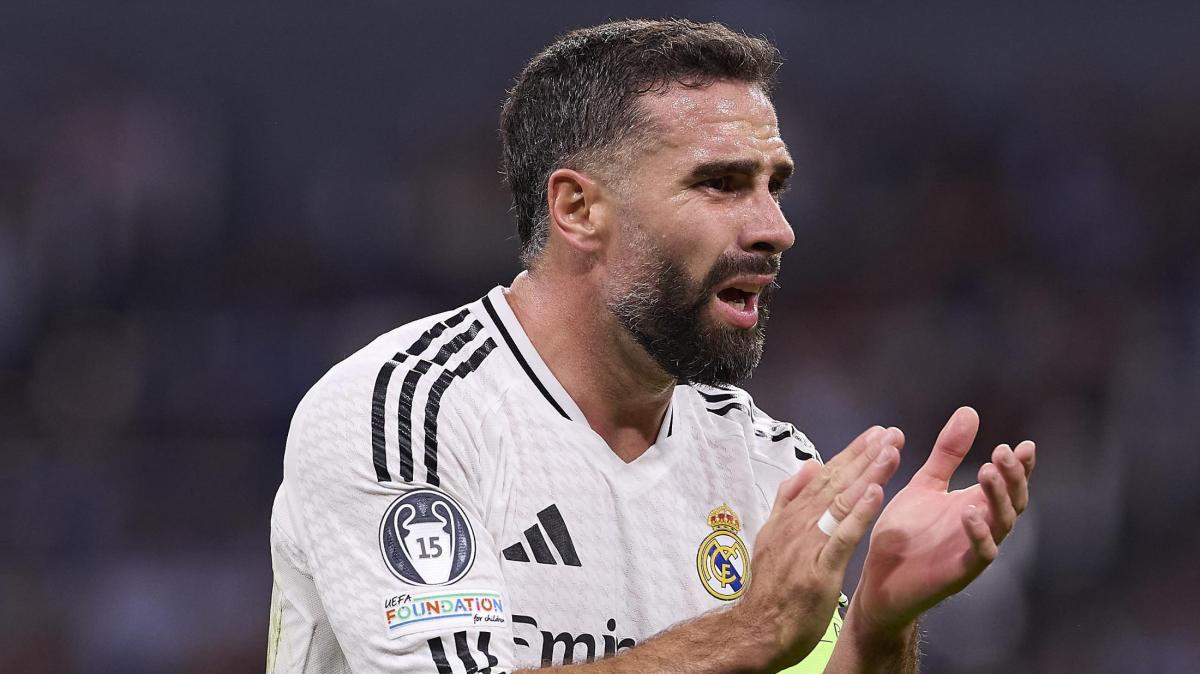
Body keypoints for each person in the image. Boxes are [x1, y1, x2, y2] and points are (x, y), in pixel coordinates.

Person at [266, 18, 1036, 673]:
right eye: (721, 184)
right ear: (578, 209)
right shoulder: (410, 412)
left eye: (774, 185)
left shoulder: (764, 460)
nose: (776, 229)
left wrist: (880, 625)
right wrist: (750, 631)